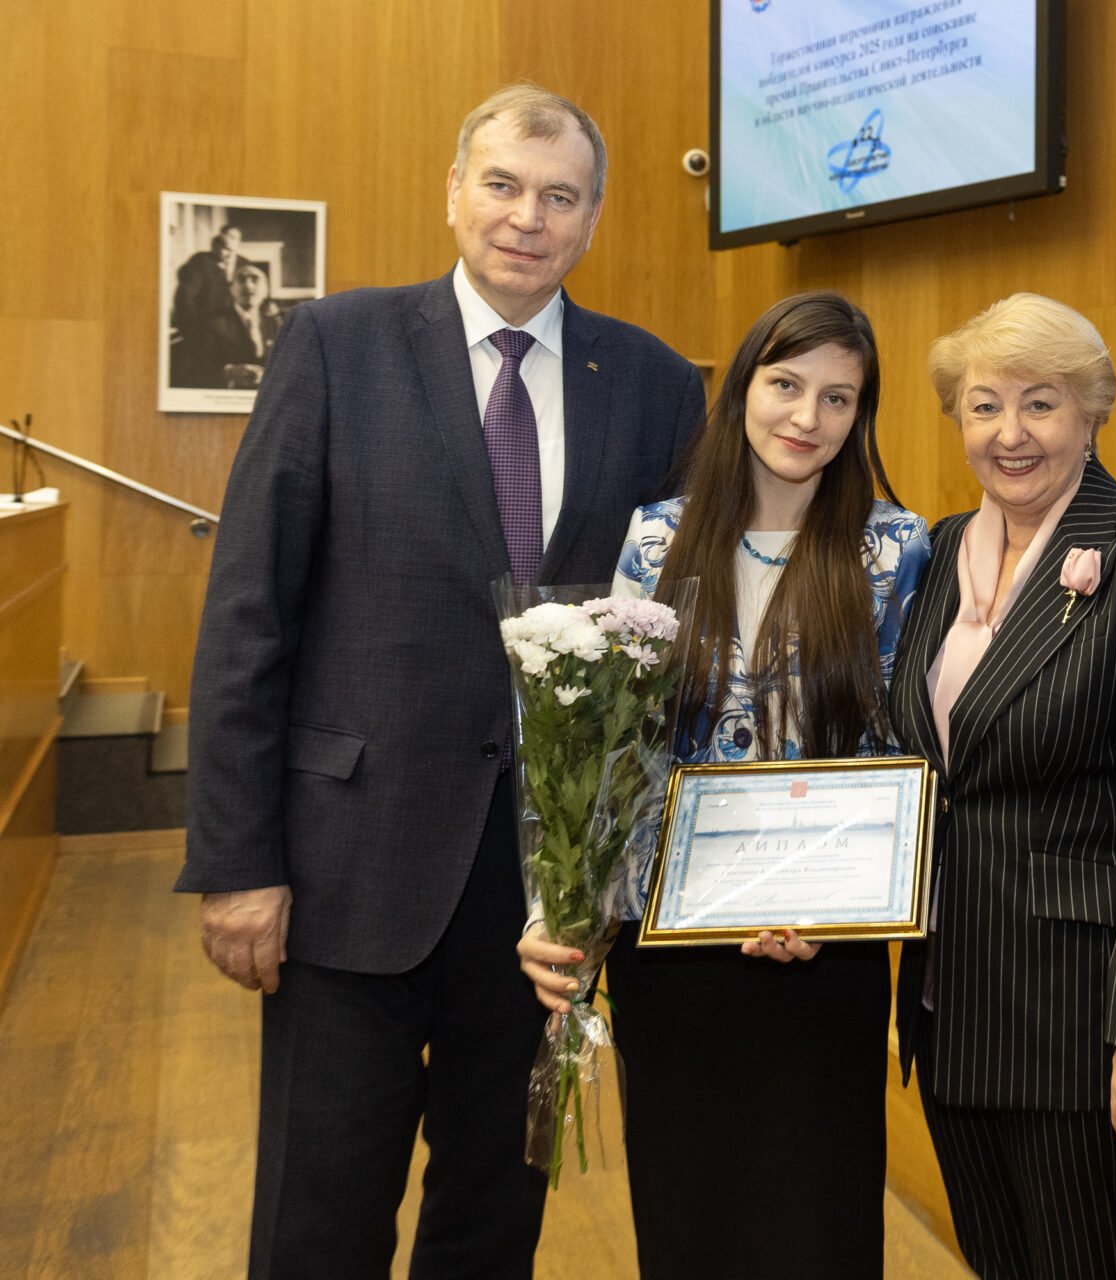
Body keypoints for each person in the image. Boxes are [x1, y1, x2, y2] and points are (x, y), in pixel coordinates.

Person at [178, 84, 704, 1278]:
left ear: (594, 216)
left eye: (559, 195)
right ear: (454, 193)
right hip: (342, 867)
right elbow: (247, 614)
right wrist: (237, 860)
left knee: (492, 1211)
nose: (528, 216)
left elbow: (677, 626)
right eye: (504, 185)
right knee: (319, 1214)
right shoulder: (335, 344)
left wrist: (614, 867)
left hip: (541, 891)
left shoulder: (660, 384)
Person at [517, 290, 929, 1279]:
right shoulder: (655, 540)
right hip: (677, 951)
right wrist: (557, 906)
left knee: (818, 1228)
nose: (807, 416)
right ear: (743, 385)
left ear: (860, 415)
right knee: (688, 1223)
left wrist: (831, 906)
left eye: (839, 398)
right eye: (786, 384)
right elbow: (612, 748)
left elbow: (905, 751)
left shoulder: (896, 546)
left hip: (821, 954)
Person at [888, 293, 1116, 1277]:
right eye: (984, 405)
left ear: (1092, 411)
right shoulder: (936, 550)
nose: (1010, 433)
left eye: (1042, 403)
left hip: (1080, 1019)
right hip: (951, 1001)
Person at [172, 260, 281, 389]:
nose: (248, 285)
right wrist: (228, 372)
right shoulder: (211, 323)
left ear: (266, 291)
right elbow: (194, 368)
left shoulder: (274, 324)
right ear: (232, 289)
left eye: (255, 280)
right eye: (241, 279)